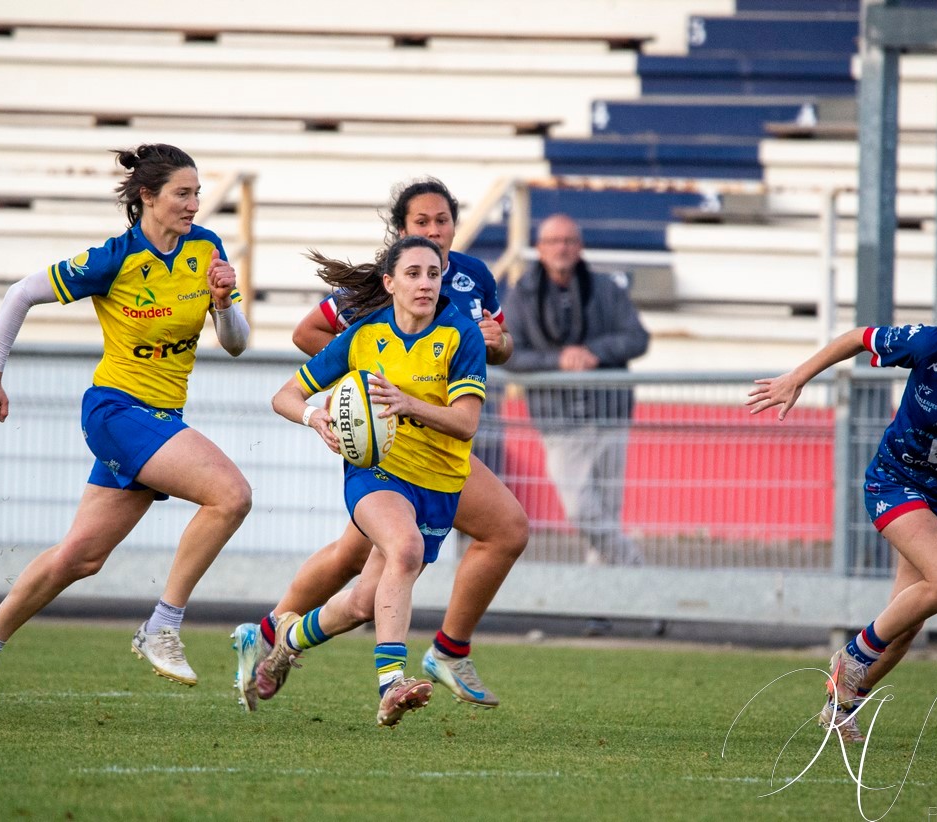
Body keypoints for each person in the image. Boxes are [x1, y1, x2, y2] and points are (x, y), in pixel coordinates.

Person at [0, 144, 253, 724]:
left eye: (197, 193)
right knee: (231, 495)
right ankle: (162, 626)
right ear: (147, 196)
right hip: (117, 411)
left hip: (159, 419)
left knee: (79, 558)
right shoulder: (114, 259)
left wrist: (223, 303)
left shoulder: (206, 249)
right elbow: (19, 294)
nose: (193, 203)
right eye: (182, 193)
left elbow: (235, 343)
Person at [231, 178, 527, 712]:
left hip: (439, 465)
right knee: (403, 549)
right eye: (421, 224)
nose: (433, 234)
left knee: (364, 597)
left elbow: (472, 407)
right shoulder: (369, 321)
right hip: (382, 460)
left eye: (442, 222)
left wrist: (496, 344)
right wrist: (342, 404)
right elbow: (299, 358)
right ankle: (399, 680)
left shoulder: (468, 296)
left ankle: (279, 637)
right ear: (393, 263)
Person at [748, 266, 937, 743]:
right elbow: (858, 337)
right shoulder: (932, 343)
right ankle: (853, 655)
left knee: (906, 625)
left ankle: (841, 707)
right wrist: (797, 377)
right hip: (897, 481)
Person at [264, 234, 487, 727]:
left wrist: (408, 404)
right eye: (413, 274)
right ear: (389, 283)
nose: (425, 284)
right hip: (376, 472)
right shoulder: (364, 336)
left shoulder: (461, 335)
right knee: (404, 549)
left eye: (433, 274)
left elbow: (466, 423)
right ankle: (391, 686)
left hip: (440, 483)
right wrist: (314, 417)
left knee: (363, 604)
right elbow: (284, 395)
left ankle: (289, 638)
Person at [500, 214, 649, 635]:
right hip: (559, 423)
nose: (561, 248)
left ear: (579, 246)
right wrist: (558, 360)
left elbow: (637, 338)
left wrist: (593, 353)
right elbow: (510, 353)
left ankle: (598, 608)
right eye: (553, 241)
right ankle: (646, 582)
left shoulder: (606, 289)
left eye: (568, 240)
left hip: (609, 415)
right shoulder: (522, 295)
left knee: (606, 514)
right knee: (583, 510)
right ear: (540, 248)